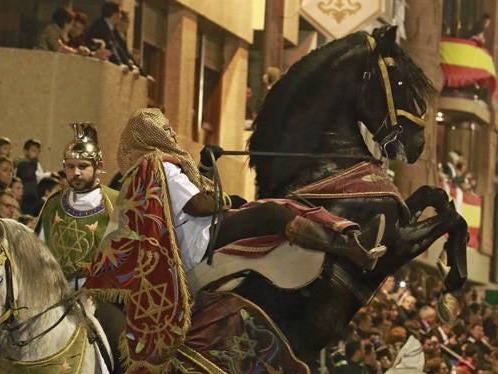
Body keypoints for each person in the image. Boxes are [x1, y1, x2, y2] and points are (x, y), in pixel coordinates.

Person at [115, 108, 387, 273]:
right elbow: (197, 204)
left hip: (191, 239)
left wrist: (205, 169)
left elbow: (178, 201)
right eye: (166, 130)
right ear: (151, 136)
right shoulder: (161, 167)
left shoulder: (141, 174)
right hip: (200, 240)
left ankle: (347, 240)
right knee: (270, 211)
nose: (172, 134)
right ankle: (349, 249)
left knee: (269, 206)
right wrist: (224, 200)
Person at [37, 123, 117, 288]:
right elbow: (39, 251)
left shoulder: (116, 203)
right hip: (54, 292)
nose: (76, 173)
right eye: (70, 166)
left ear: (99, 167)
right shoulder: (54, 204)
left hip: (101, 294)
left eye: (83, 166)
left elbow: (125, 256)